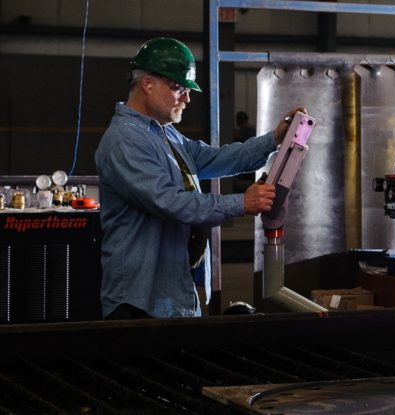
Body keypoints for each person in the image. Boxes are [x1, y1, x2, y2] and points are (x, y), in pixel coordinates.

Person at [95, 37, 307, 319]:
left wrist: (273, 139)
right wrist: (241, 203)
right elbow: (171, 202)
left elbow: (216, 158)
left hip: (172, 295)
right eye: (179, 88)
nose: (187, 98)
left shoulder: (164, 133)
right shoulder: (125, 141)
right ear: (148, 84)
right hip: (139, 304)